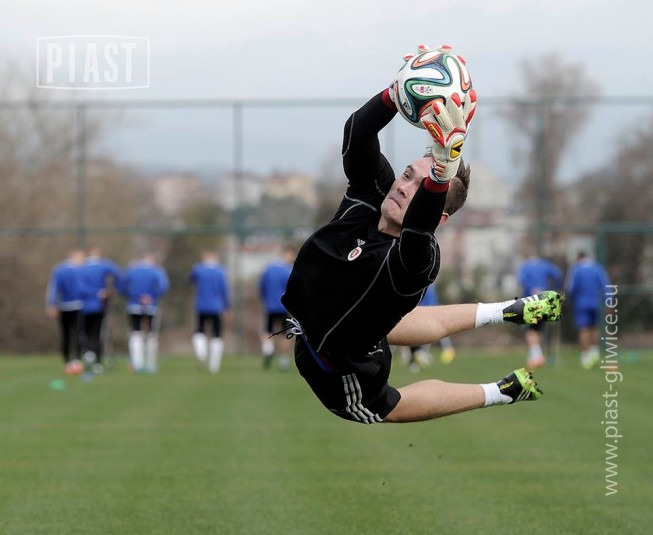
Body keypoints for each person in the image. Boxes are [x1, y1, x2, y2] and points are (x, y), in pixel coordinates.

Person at [280, 44, 561, 424]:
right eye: (407, 174)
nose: (402, 185)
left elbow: (417, 227)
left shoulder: (418, 256)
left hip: (340, 368)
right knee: (389, 322)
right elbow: (357, 136)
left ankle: (502, 391)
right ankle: (508, 311)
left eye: (419, 186)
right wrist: (396, 93)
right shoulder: (372, 196)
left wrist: (442, 174)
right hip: (325, 324)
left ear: (439, 216)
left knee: (385, 407)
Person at [119, 254, 169, 373]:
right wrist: (151, 297)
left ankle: (137, 364)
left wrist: (134, 297)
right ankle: (150, 365)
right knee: (151, 335)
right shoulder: (157, 270)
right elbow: (164, 286)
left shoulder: (131, 270)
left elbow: (121, 286)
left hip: (134, 306)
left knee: (135, 334)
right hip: (152, 307)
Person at [80, 247, 122, 373]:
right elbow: (118, 274)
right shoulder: (104, 264)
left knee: (84, 331)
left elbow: (78, 286)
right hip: (99, 304)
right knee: (97, 333)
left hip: (83, 305)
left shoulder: (81, 266)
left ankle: (88, 353)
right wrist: (112, 290)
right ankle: (97, 362)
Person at [517, 256, 563, 368]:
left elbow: (522, 280)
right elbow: (558, 275)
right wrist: (555, 290)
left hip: (530, 301)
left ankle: (537, 356)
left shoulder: (525, 267)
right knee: (537, 329)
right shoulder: (545, 265)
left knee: (530, 330)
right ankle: (536, 354)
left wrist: (531, 289)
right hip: (544, 300)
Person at [566, 252, 610, 369]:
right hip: (595, 303)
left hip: (581, 303)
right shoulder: (597, 268)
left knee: (584, 329)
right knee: (594, 328)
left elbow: (571, 288)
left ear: (578, 258)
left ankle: (585, 357)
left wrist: (570, 300)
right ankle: (595, 354)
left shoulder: (576, 269)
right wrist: (609, 301)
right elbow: (605, 285)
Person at [45, 249, 86, 374]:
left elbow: (53, 288)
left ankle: (68, 361)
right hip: (77, 305)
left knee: (67, 334)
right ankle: (76, 361)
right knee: (77, 333)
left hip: (65, 306)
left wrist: (51, 304)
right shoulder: (79, 270)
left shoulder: (59, 268)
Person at [189, 251, 230, 374]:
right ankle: (214, 365)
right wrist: (227, 305)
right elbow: (224, 289)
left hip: (201, 306)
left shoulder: (198, 269)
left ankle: (201, 353)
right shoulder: (220, 271)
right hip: (216, 307)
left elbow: (191, 279)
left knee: (199, 330)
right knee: (216, 334)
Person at [403, 283, 456, 372]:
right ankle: (417, 356)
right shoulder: (426, 286)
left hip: (429, 310)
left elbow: (432, 299)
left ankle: (442, 350)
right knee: (424, 333)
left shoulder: (430, 287)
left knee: (436, 331)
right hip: (424, 311)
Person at [259, 245, 295, 371]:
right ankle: (284, 360)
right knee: (285, 333)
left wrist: (265, 299)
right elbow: (292, 289)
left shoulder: (268, 269)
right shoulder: (288, 270)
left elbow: (262, 287)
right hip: (284, 307)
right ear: (287, 255)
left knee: (267, 330)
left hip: (270, 306)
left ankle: (268, 348)